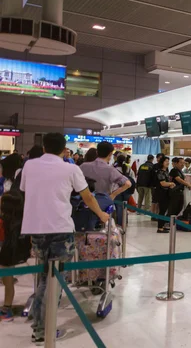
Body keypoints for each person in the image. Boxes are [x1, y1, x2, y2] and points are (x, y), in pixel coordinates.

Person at [20, 133, 110, 344]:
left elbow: (25, 190)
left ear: (43, 147)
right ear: (64, 149)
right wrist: (101, 214)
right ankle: (43, 329)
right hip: (60, 229)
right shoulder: (70, 168)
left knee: (43, 277)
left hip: (36, 229)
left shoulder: (29, 166)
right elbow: (87, 196)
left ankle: (41, 324)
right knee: (54, 281)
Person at [80, 142, 132, 225]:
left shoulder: (83, 166)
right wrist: (113, 195)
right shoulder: (110, 170)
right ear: (110, 154)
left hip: (83, 203)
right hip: (103, 204)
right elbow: (128, 184)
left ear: (97, 152)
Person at [0, 153, 25, 322]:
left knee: (7, 274)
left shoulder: (9, 187)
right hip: (7, 236)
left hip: (6, 237)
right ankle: (6, 307)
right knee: (7, 275)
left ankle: (7, 307)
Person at [156, 156, 175, 233]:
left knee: (164, 210)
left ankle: (162, 225)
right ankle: (160, 227)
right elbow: (163, 183)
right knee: (162, 210)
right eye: (166, 161)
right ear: (162, 162)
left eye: (168, 161)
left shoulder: (166, 171)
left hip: (167, 193)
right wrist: (171, 183)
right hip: (162, 193)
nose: (167, 163)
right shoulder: (160, 172)